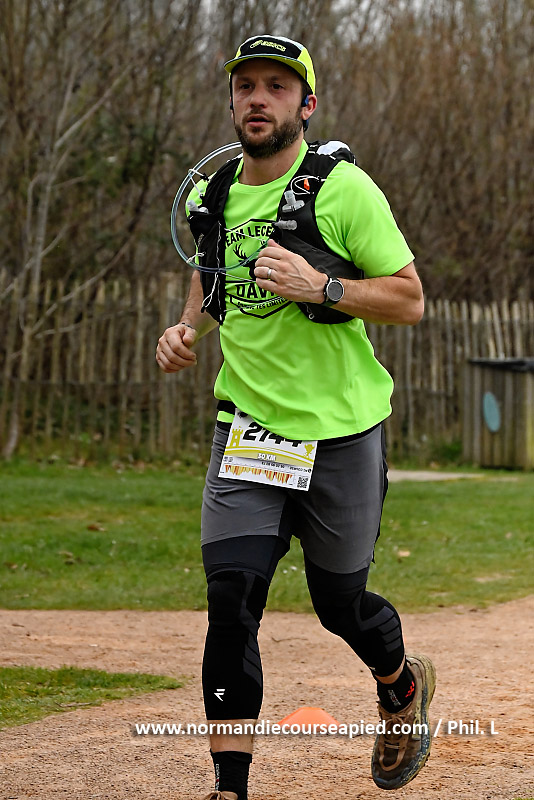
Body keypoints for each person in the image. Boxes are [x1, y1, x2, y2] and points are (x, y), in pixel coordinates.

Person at [156, 35, 435, 800]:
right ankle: (230, 786)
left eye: (277, 86)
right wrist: (186, 329)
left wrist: (323, 288)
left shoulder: (344, 192)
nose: (258, 97)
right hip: (247, 429)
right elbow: (210, 273)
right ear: (231, 99)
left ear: (306, 105)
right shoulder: (211, 196)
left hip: (341, 433)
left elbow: (409, 298)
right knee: (231, 600)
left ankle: (401, 685)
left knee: (339, 605)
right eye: (246, 84)